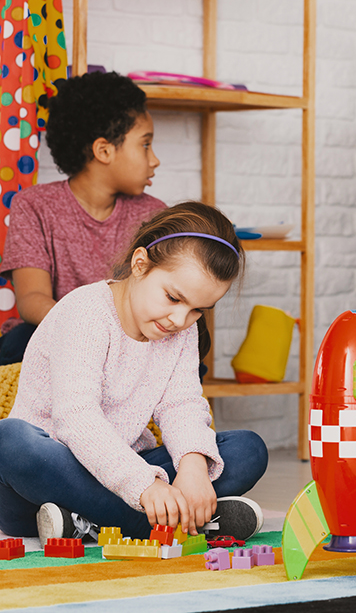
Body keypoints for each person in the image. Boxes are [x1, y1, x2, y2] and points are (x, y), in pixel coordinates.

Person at [0, 201, 269, 544]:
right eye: (173, 298)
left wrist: (192, 466)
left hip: (128, 465)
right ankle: (161, 524)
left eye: (198, 310)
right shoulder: (86, 312)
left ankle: (87, 522)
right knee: (10, 440)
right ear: (140, 264)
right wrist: (144, 486)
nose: (180, 320)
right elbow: (76, 419)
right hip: (50, 476)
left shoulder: (180, 331)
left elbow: (181, 403)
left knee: (248, 449)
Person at [0, 71, 165, 365]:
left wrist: (118, 338)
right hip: (58, 331)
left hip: (129, 339)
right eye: (145, 144)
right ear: (104, 150)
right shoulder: (33, 205)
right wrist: (89, 331)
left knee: (186, 352)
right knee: (16, 343)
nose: (154, 160)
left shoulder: (153, 215)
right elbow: (32, 298)